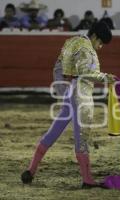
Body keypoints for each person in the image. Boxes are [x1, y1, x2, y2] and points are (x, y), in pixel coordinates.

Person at [21, 21, 115, 189]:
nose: (100, 47)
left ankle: (31, 170)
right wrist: (105, 78)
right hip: (78, 95)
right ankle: (87, 180)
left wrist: (64, 90)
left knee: (55, 130)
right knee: (82, 136)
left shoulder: (74, 41)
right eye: (100, 42)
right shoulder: (86, 47)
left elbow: (58, 66)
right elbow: (85, 72)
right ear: (94, 36)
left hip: (70, 92)